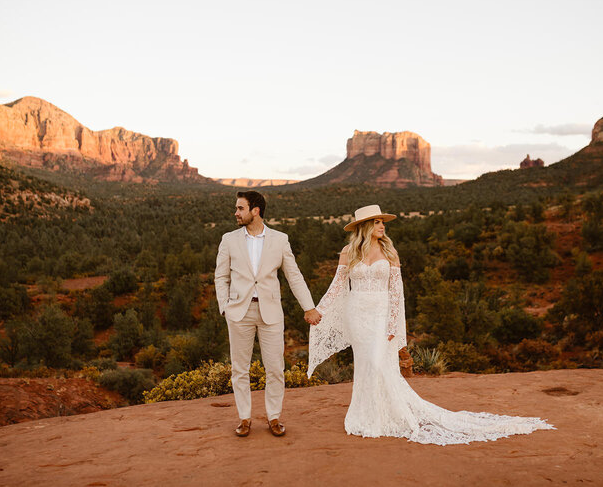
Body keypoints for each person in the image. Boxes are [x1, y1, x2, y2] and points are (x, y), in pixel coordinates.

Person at [307, 204, 555, 445]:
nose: (382, 226)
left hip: (381, 315)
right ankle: (367, 416)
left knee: (379, 363)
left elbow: (397, 293)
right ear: (364, 226)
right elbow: (337, 286)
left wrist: (395, 327)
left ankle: (391, 414)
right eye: (377, 222)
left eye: (382, 222)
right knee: (367, 364)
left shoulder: (390, 253)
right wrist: (318, 309)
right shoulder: (348, 252)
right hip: (357, 315)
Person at [215, 191, 322, 437]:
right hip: (239, 312)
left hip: (270, 313)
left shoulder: (280, 240)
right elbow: (221, 276)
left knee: (275, 367)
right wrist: (225, 306)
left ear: (256, 211)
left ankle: (274, 417)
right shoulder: (228, 240)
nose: (236, 213)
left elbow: (294, 276)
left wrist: (309, 307)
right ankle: (244, 418)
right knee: (239, 369)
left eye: (240, 208)